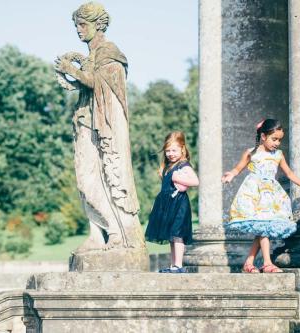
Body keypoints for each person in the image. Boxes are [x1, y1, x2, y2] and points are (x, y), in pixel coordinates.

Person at [54, 2, 145, 253]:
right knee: (84, 180)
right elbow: (88, 85)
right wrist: (76, 74)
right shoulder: (91, 56)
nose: (78, 30)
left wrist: (70, 70)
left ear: (98, 25)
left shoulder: (109, 52)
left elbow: (100, 84)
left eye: (82, 25)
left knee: (100, 177)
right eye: (76, 26)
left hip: (102, 124)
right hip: (84, 120)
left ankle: (116, 231)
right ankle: (96, 234)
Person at [222, 119, 300, 273]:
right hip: (254, 193)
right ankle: (267, 263)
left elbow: (289, 173)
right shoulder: (251, 153)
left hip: (271, 195)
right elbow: (238, 168)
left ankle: (249, 263)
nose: (277, 143)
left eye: (279, 140)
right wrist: (230, 175)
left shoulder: (278, 155)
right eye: (274, 139)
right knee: (263, 227)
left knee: (264, 227)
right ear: (263, 136)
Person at [145, 131, 199, 273]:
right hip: (166, 205)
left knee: (177, 234)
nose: (170, 153)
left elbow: (195, 181)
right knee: (171, 236)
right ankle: (173, 265)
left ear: (182, 148)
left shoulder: (183, 165)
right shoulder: (167, 167)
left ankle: (179, 265)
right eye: (167, 150)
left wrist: (177, 178)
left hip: (179, 204)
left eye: (174, 150)